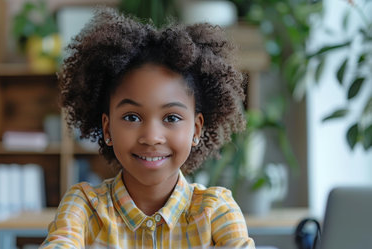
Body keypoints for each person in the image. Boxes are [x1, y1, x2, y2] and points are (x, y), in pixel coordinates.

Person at [40, 7, 255, 249]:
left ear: (196, 130)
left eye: (172, 118)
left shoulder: (217, 211)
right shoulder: (84, 207)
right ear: (107, 129)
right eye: (132, 117)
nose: (152, 137)